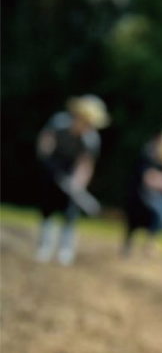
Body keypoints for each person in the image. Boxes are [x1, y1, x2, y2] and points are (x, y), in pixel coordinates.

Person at [35, 94, 109, 265]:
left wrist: (77, 184)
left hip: (72, 170)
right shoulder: (59, 123)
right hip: (52, 164)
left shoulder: (91, 139)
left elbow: (85, 164)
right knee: (48, 206)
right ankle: (44, 246)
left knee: (70, 211)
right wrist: (47, 160)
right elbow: (45, 142)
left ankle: (65, 249)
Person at [122, 138, 162, 257]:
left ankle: (149, 243)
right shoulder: (147, 158)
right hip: (140, 197)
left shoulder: (158, 160)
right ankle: (148, 245)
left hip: (149, 197)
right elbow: (149, 179)